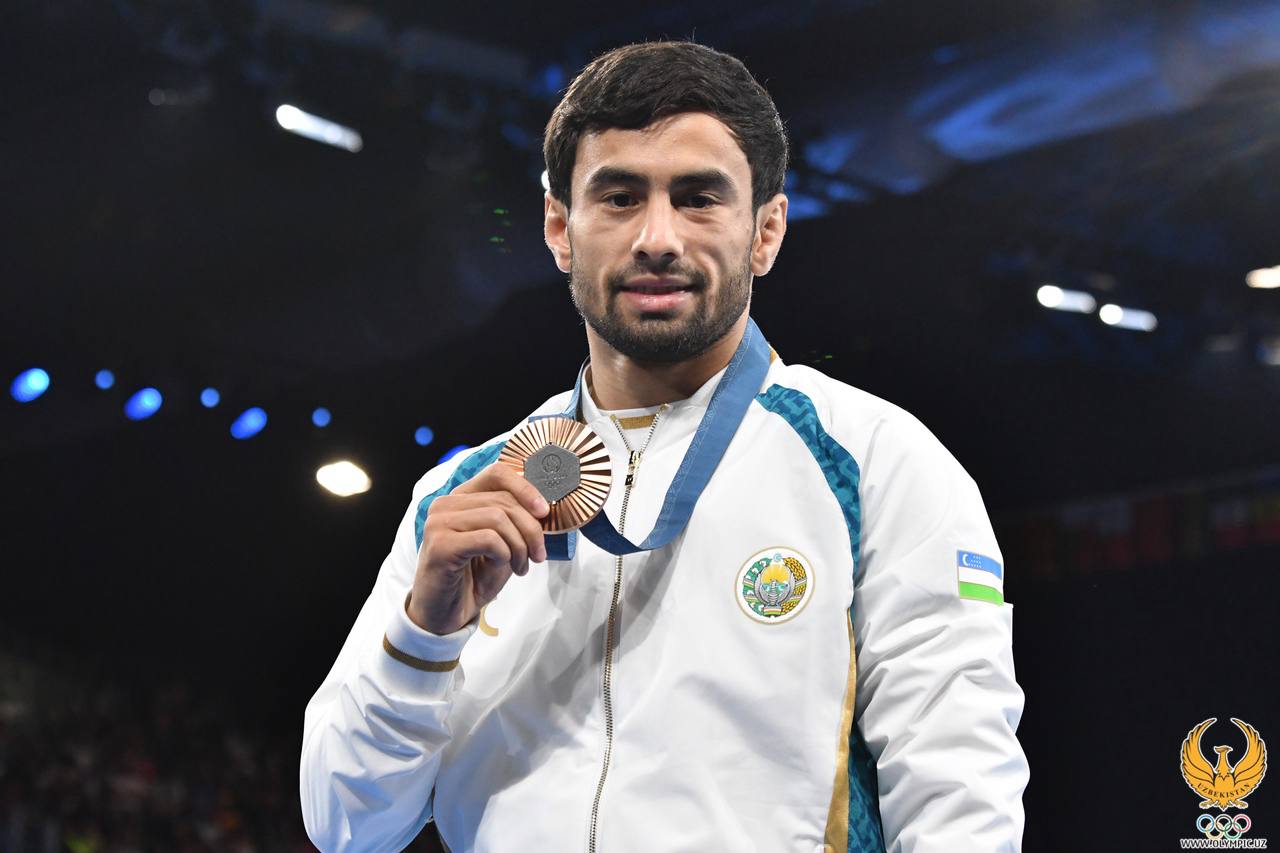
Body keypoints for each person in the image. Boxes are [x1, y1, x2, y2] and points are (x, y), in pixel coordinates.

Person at [300, 41, 1028, 853]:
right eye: (619, 197)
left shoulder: (878, 464)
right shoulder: (464, 495)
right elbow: (345, 825)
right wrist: (424, 636)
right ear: (559, 229)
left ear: (766, 232)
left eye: (698, 199)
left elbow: (961, 801)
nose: (657, 237)